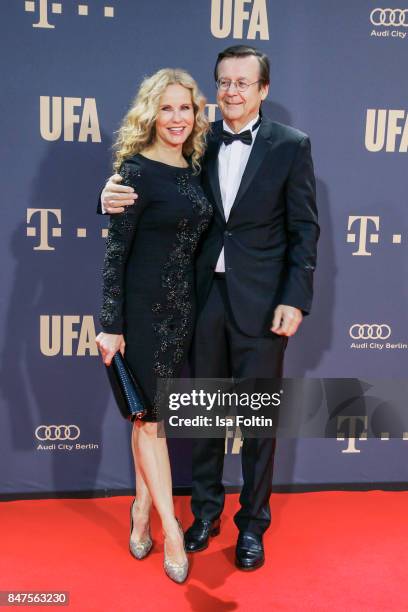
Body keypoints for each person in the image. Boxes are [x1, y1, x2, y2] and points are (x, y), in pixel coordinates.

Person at [100, 45, 319, 571]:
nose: (232, 92)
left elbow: (305, 228)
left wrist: (296, 297)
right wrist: (106, 195)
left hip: (264, 303)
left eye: (244, 83)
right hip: (198, 300)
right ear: (214, 90)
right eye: (224, 82)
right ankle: (204, 513)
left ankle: (252, 526)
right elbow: (156, 188)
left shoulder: (291, 146)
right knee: (201, 414)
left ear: (263, 90)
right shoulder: (198, 141)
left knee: (259, 420)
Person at [95, 68, 212, 583]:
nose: (177, 118)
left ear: (195, 113)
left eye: (185, 108)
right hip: (140, 316)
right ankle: (171, 529)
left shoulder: (194, 169)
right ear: (151, 113)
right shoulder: (134, 172)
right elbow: (114, 255)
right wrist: (110, 324)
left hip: (182, 313)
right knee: (152, 422)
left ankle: (139, 509)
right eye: (167, 108)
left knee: (149, 419)